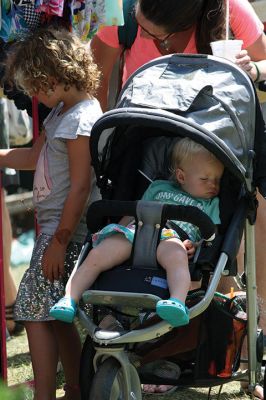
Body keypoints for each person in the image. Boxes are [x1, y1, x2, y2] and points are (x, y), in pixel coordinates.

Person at [0, 27, 102, 400]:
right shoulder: (62, 112)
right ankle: (74, 389)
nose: (34, 97)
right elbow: (33, 156)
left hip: (66, 234)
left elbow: (79, 186)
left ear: (56, 78)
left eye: (36, 87)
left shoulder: (80, 122)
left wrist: (60, 241)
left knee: (30, 309)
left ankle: (44, 393)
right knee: (56, 320)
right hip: (54, 232)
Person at [50, 138, 224, 330]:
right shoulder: (158, 187)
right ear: (181, 176)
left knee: (177, 258)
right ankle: (69, 298)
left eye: (217, 180)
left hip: (173, 237)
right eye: (205, 179)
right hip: (137, 231)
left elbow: (210, 234)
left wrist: (196, 245)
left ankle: (176, 302)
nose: (213, 185)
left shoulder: (211, 204)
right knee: (97, 254)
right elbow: (136, 211)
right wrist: (118, 229)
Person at [90, 0, 266, 112]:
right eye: (138, 23)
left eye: (151, 33)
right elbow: (96, 79)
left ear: (184, 25)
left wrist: (252, 71)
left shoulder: (229, 8)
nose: (142, 36)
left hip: (206, 133)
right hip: (139, 128)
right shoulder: (119, 8)